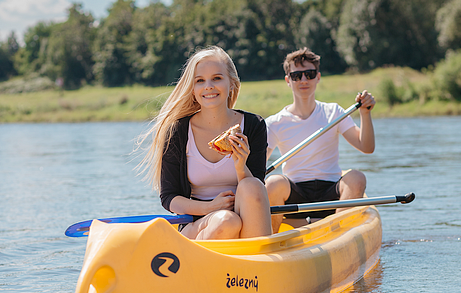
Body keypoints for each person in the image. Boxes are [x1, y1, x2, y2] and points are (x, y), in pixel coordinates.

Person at [137, 46, 272, 240]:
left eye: (217, 78)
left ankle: (258, 263)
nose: (208, 86)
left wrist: (241, 166)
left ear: (232, 83)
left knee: (252, 186)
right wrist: (211, 207)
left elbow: (257, 190)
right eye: (200, 81)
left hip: (246, 219)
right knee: (227, 221)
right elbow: (169, 198)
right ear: (193, 89)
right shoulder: (178, 131)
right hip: (197, 224)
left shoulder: (253, 126)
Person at [265, 47, 376, 233]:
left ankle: (339, 235)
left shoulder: (334, 112)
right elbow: (257, 167)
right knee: (272, 183)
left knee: (357, 177)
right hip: (295, 194)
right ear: (288, 80)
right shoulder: (274, 122)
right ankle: (269, 244)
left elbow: (366, 147)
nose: (303, 80)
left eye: (309, 74)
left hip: (331, 191)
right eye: (296, 76)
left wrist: (365, 114)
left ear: (318, 77)